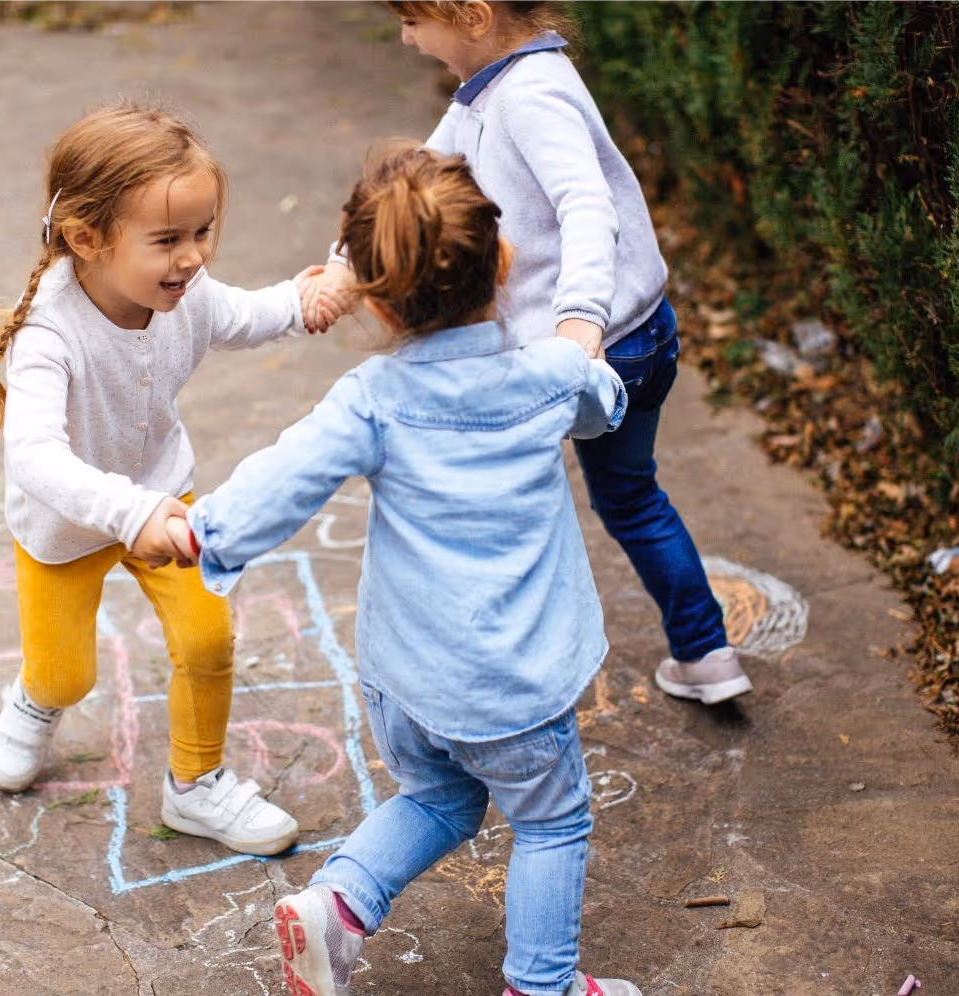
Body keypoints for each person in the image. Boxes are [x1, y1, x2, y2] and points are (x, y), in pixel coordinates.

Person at [175, 145, 640, 996]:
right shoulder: (546, 378)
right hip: (516, 686)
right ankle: (543, 986)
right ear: (503, 261)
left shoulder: (374, 398)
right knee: (551, 821)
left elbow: (287, 476)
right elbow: (604, 404)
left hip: (406, 679)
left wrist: (208, 531)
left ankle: (339, 905)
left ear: (377, 303)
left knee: (440, 799)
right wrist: (584, 347)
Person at [305, 0, 751, 705]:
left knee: (507, 503)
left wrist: (579, 321)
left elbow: (586, 203)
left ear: (473, 16)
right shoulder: (495, 86)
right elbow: (415, 181)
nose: (405, 38)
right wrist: (341, 264)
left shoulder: (531, 96)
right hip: (639, 331)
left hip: (593, 351)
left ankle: (507, 672)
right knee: (632, 498)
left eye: (415, 22)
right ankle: (706, 655)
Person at [0, 101, 325, 856]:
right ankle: (34, 702)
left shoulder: (186, 296)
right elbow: (35, 457)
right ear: (86, 238)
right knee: (67, 676)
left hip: (165, 494)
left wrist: (308, 298)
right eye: (167, 240)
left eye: (202, 232)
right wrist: (131, 515)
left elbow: (252, 312)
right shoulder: (48, 336)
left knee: (207, 637)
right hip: (67, 526)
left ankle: (197, 786)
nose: (192, 257)